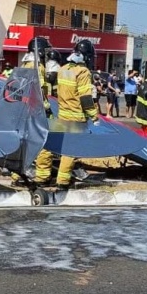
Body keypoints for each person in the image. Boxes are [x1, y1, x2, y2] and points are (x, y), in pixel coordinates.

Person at [33, 40, 100, 189]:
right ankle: (62, 182)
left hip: (61, 114)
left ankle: (41, 177)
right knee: (70, 150)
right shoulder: (83, 72)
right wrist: (94, 116)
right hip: (76, 117)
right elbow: (85, 97)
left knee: (50, 146)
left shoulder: (63, 69)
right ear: (87, 56)